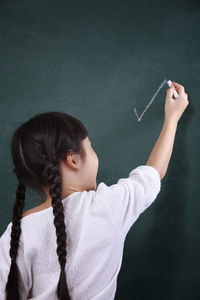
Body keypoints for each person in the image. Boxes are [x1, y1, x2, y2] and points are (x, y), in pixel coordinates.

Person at [0, 82, 189, 300]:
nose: (95, 155)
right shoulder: (107, 206)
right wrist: (172, 118)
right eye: (91, 147)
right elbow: (154, 172)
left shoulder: (15, 236)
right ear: (73, 159)